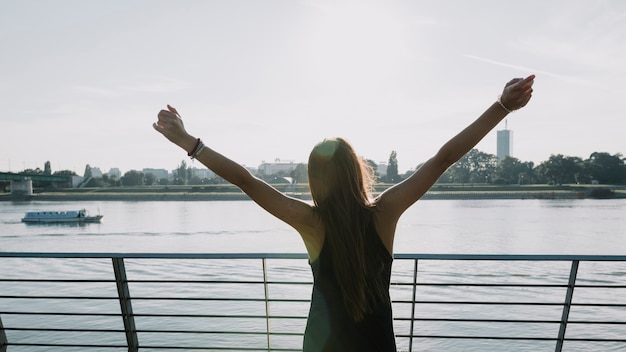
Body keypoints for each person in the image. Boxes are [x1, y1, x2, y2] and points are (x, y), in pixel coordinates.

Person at [153, 75, 535, 351]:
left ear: (314, 179)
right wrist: (501, 106)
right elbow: (443, 159)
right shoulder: (385, 213)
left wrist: (190, 142)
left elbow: (247, 181)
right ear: (357, 169)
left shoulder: (311, 222)